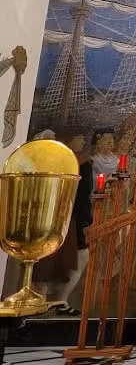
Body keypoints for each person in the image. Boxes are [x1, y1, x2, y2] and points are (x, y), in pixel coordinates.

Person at [33, 133, 93, 315]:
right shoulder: (63, 162)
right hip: (55, 217)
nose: (82, 141)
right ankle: (42, 301)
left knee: (74, 258)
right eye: (79, 137)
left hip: (67, 217)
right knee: (45, 260)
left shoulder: (81, 163)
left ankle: (60, 300)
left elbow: (84, 194)